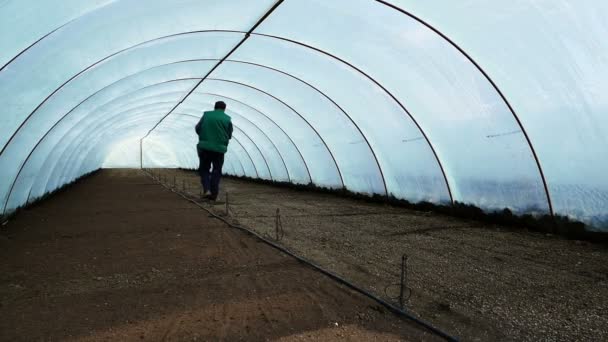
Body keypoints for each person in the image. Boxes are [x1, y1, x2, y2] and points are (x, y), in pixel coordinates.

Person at [195, 101, 233, 201]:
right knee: (217, 170)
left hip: (205, 147)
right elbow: (229, 135)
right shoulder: (227, 119)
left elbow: (198, 128)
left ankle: (207, 190)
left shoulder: (206, 115)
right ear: (224, 109)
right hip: (219, 149)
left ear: (214, 107)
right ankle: (214, 194)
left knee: (204, 169)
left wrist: (204, 136)